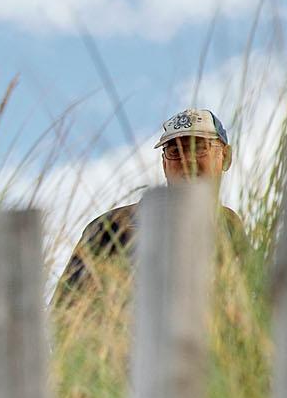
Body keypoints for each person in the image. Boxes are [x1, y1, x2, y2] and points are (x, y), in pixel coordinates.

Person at [56, 107, 243, 299]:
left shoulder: (230, 225)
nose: (187, 160)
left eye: (199, 148)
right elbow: (64, 312)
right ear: (164, 163)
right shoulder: (112, 226)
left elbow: (252, 300)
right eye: (175, 151)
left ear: (226, 157)